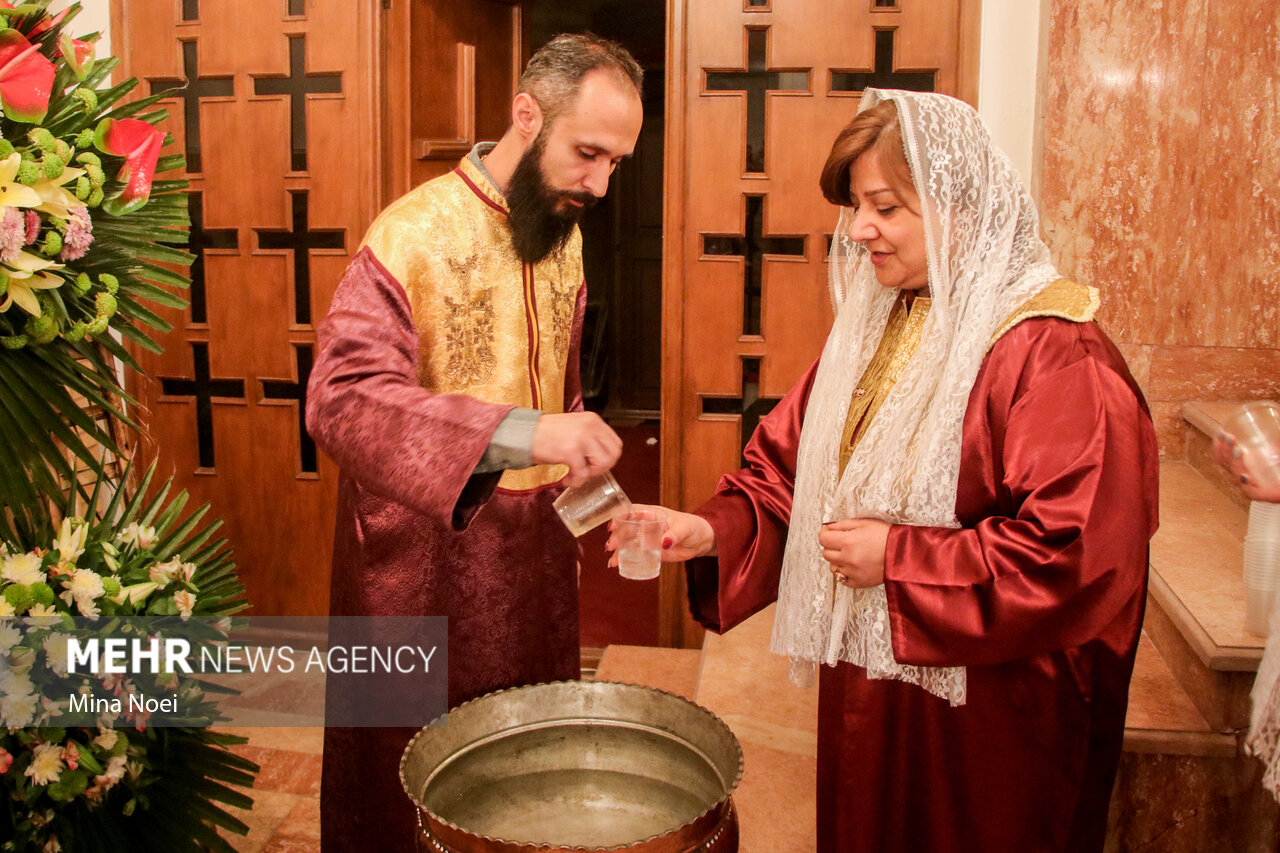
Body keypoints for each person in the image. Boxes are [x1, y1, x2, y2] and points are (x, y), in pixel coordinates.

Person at [615, 90, 1159, 851]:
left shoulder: (1053, 350)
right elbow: (791, 472)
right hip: (876, 682)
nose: (860, 229)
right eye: (858, 207)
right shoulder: (888, 318)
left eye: (887, 207)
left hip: (988, 718)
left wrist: (900, 558)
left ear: (960, 208)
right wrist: (709, 527)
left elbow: (1079, 552)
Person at [306, 34, 644, 852]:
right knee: (409, 778)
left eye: (616, 163)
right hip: (418, 567)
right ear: (526, 115)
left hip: (530, 564)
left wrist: (594, 489)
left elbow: (553, 392)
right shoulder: (411, 233)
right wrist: (526, 432)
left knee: (521, 771)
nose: (599, 184)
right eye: (588, 154)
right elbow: (342, 402)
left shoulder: (561, 230)